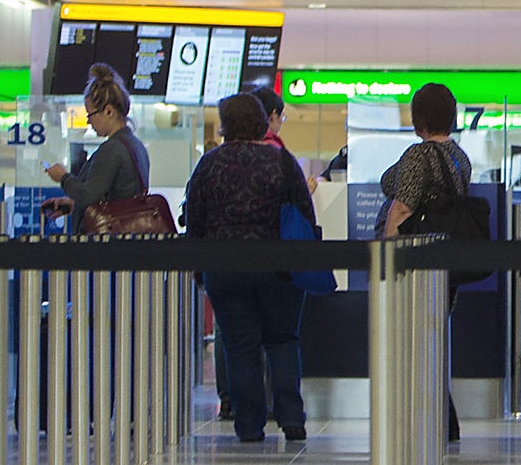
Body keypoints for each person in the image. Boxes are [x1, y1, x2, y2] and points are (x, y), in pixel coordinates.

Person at [184, 91, 317, 443]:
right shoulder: (282, 162)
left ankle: (248, 425)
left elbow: (194, 218)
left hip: (226, 269)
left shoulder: (209, 165)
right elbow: (305, 213)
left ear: (226, 125)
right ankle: (291, 419)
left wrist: (199, 268)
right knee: (282, 340)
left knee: (241, 347)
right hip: (279, 268)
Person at [379, 81, 472, 441]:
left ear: (419, 119)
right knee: (432, 337)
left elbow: (401, 206)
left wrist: (389, 253)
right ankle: (441, 418)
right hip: (448, 258)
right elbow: (394, 181)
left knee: (415, 340)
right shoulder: (458, 156)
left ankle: (438, 419)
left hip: (419, 259)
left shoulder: (418, 156)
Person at [43, 62, 152, 230]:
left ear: (109, 111)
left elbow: (88, 194)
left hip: (108, 248)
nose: (89, 121)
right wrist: (74, 205)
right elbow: (114, 199)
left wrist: (63, 177)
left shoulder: (113, 149)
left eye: (91, 114)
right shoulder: (136, 146)